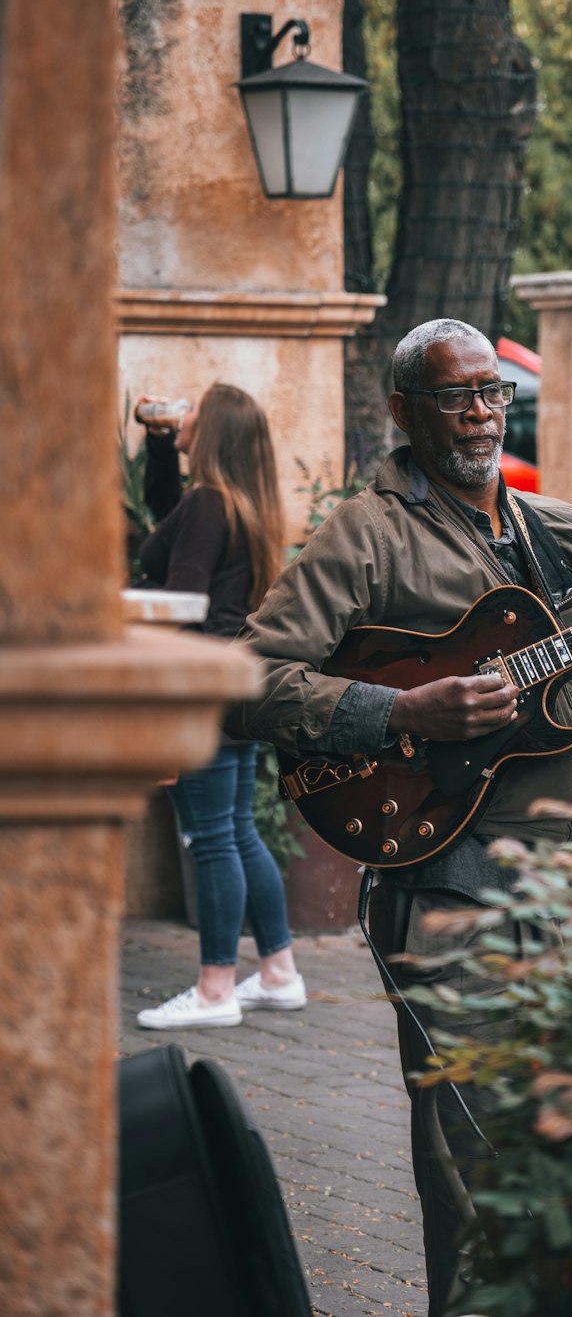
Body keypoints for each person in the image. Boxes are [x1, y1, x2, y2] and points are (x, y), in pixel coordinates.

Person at [226, 319, 572, 1314]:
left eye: (492, 393)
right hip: (453, 887)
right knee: (478, 1166)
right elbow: (250, 680)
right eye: (454, 396)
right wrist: (396, 709)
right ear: (404, 409)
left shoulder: (571, 535)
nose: (481, 412)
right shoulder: (369, 530)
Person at [133, 382, 307, 1029]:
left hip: (198, 692)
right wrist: (156, 442)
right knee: (234, 831)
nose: (185, 413)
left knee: (210, 839)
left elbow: (183, 605)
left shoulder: (211, 504)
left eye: (195, 410)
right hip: (232, 685)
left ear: (214, 433)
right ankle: (279, 972)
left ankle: (214, 991)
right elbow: (167, 519)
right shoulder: (235, 505)